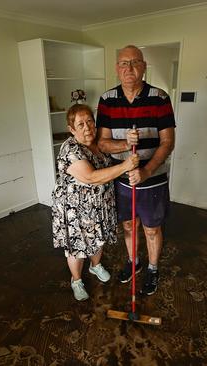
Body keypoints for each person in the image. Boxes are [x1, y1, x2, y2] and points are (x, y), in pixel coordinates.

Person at [97, 45, 176, 296]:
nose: (128, 68)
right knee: (129, 226)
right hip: (120, 177)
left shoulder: (160, 97)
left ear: (143, 66)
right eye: (123, 63)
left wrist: (146, 171)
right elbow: (102, 142)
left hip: (152, 180)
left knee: (151, 228)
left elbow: (167, 142)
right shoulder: (107, 100)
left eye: (134, 62)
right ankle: (134, 263)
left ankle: (152, 267)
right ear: (116, 68)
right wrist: (124, 145)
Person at [52, 103, 139, 301]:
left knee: (99, 239)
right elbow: (90, 177)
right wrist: (126, 165)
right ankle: (76, 280)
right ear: (71, 129)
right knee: (78, 247)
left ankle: (95, 266)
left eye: (90, 121)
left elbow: (112, 147)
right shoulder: (70, 149)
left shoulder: (97, 143)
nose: (87, 127)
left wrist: (128, 143)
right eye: (80, 124)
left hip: (100, 205)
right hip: (77, 209)